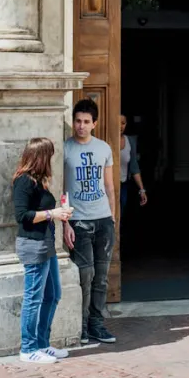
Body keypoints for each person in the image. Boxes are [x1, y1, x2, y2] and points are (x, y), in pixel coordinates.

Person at [12, 137, 73, 364]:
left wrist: (63, 219)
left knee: (53, 294)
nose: (52, 160)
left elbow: (47, 211)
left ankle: (42, 343)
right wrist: (52, 214)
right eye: (49, 155)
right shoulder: (23, 182)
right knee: (34, 298)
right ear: (40, 157)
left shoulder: (41, 181)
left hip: (47, 244)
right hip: (33, 245)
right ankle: (28, 349)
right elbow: (22, 216)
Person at [63, 98, 116, 345]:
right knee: (86, 274)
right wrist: (65, 223)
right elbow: (61, 190)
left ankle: (96, 324)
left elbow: (109, 186)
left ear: (94, 123)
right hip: (79, 222)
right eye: (77, 121)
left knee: (101, 277)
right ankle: (81, 325)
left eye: (86, 122)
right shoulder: (65, 149)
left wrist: (113, 218)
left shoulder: (104, 148)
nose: (81, 126)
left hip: (103, 219)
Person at [119, 114, 147, 216]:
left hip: (123, 184)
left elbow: (134, 166)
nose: (120, 126)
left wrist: (142, 190)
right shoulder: (106, 141)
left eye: (123, 123)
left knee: (122, 208)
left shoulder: (130, 141)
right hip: (107, 184)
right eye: (117, 123)